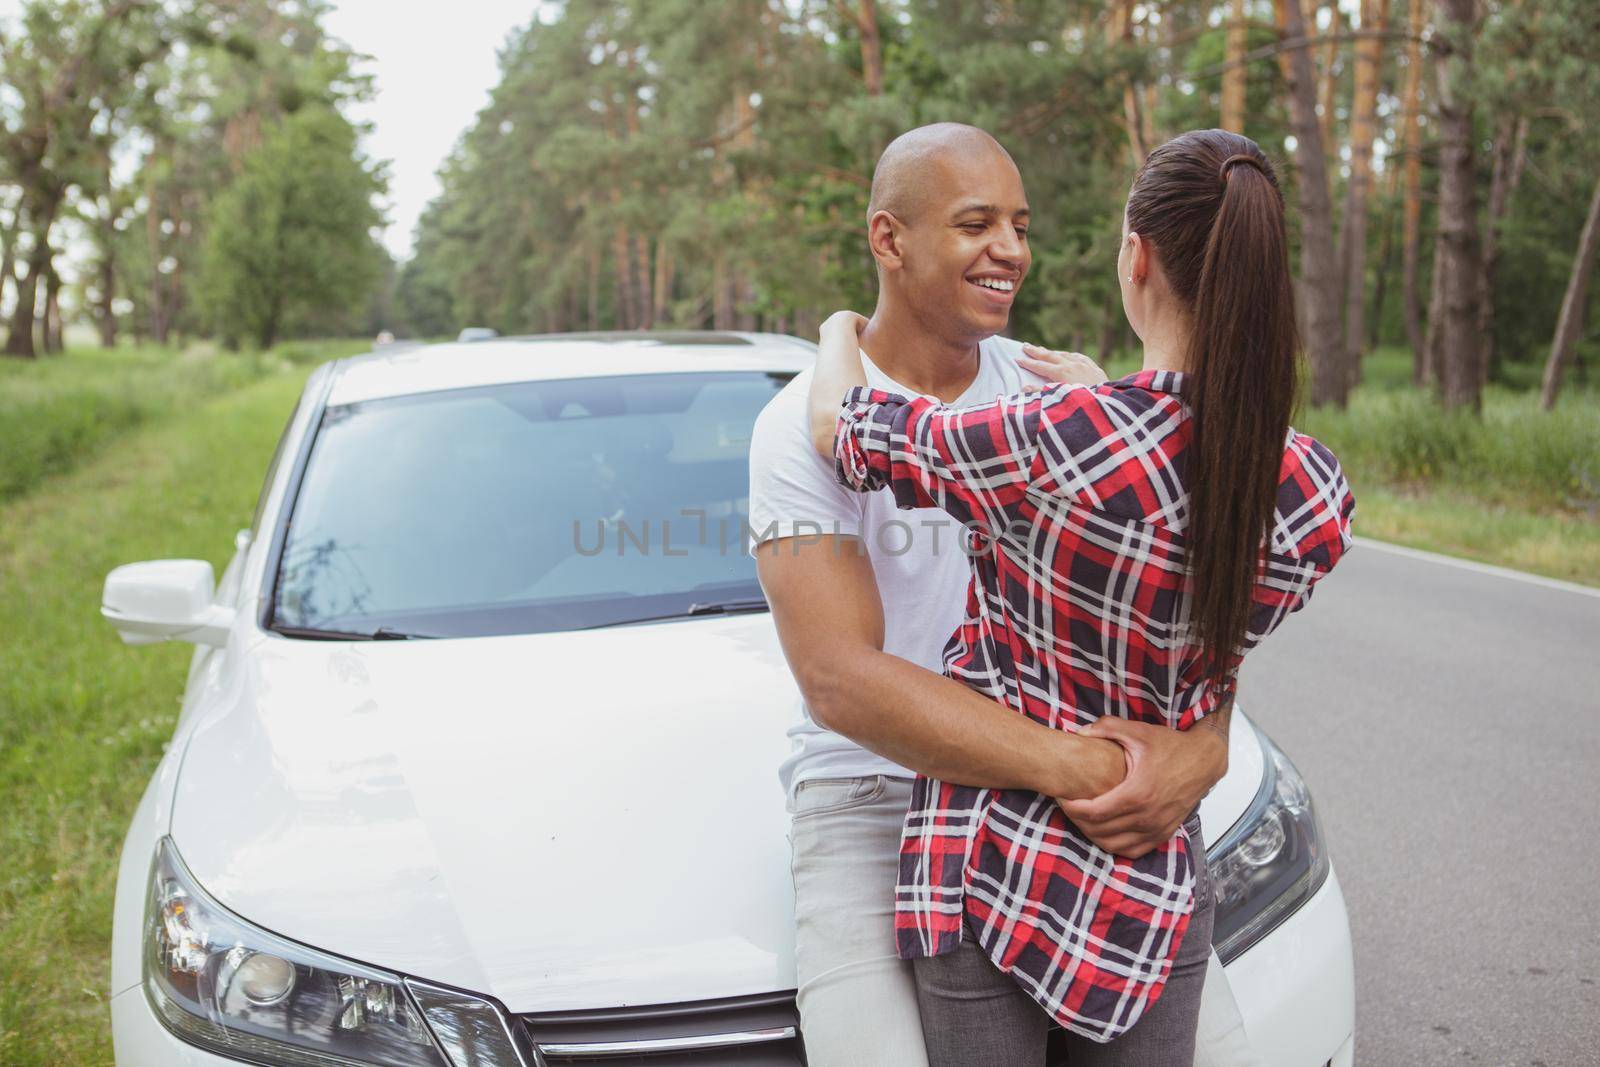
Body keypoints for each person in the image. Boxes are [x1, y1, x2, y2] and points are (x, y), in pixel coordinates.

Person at [803, 128, 1355, 1064]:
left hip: (990, 866)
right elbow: (1181, 566)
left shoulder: (1056, 439)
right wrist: (1117, 402)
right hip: (1149, 887)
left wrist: (834, 331)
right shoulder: (1311, 490)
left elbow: (840, 427)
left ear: (1136, 258)